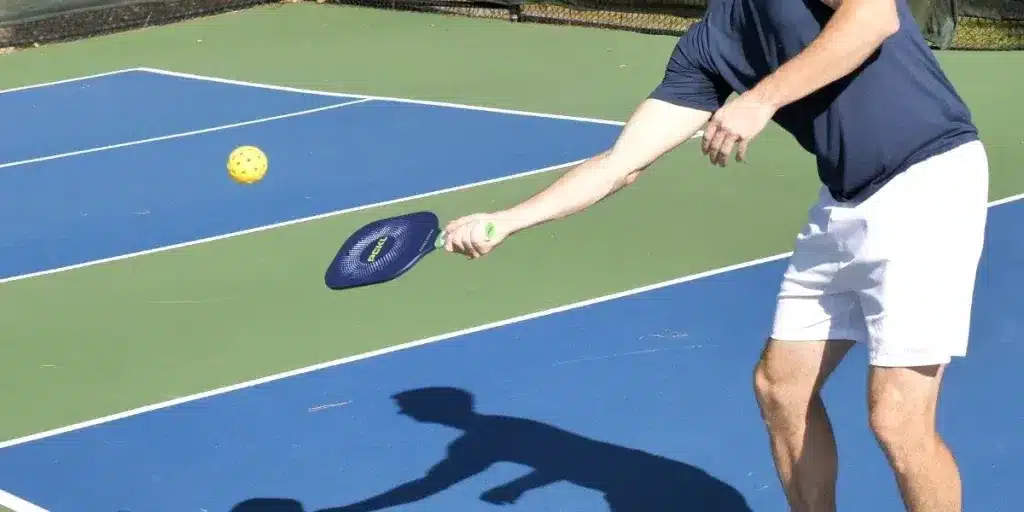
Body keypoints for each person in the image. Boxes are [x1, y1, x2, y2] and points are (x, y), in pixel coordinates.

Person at [441, 0, 988, 510]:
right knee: (781, 389)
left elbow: (873, 18)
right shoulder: (708, 46)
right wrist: (509, 220)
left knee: (896, 418)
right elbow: (620, 162)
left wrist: (759, 99)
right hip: (845, 200)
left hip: (929, 180)